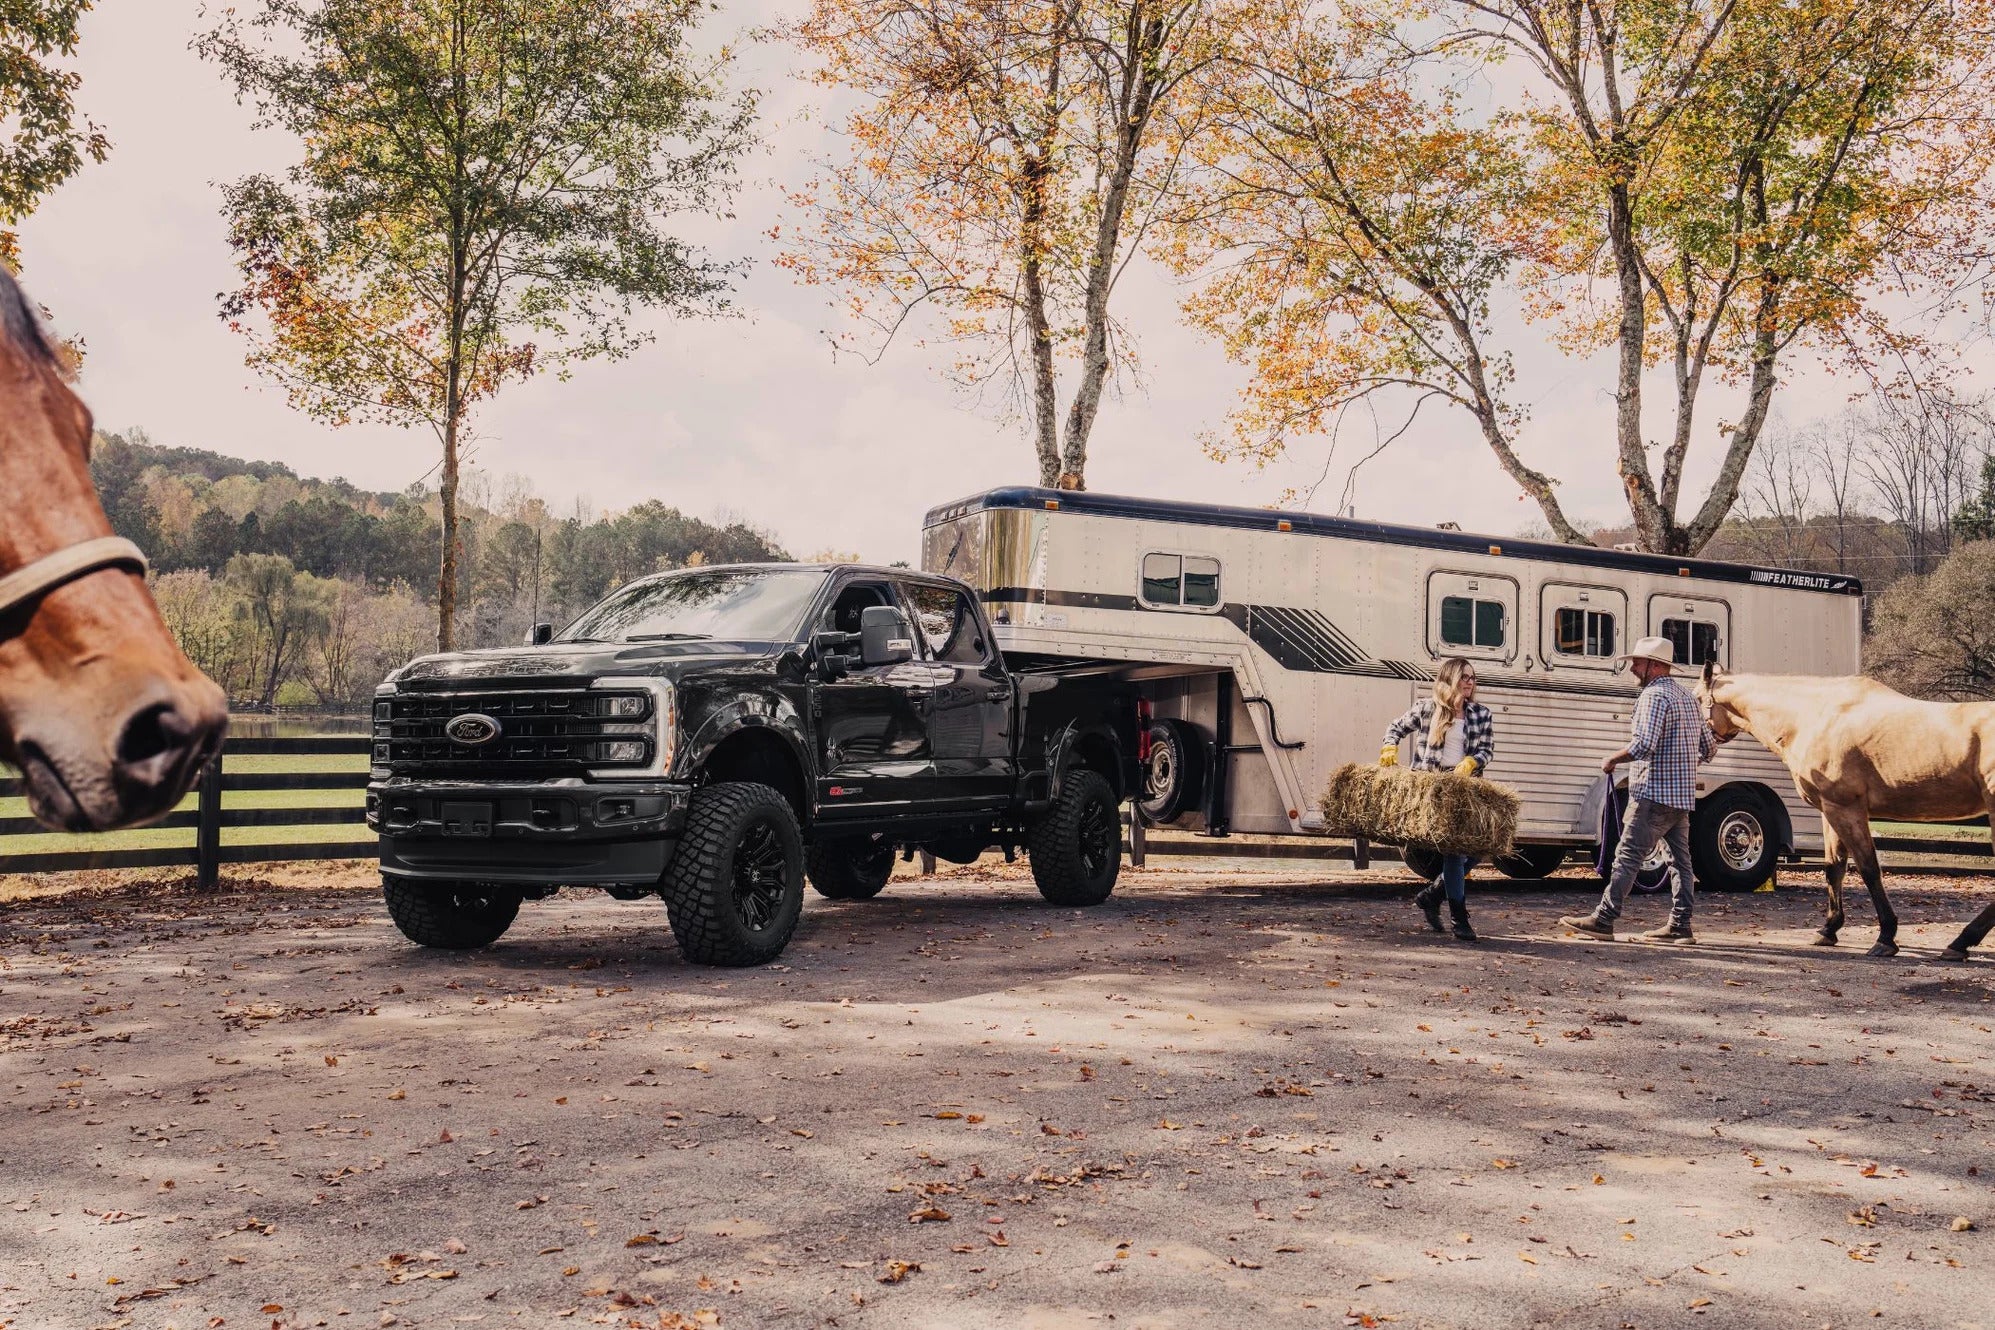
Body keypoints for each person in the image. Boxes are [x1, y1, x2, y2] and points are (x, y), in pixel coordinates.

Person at [1559, 636, 1721, 944]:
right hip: (1680, 796)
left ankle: (1604, 919)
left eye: (1638, 662)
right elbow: (1709, 747)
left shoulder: (1653, 696)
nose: (1633, 667)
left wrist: (1612, 759)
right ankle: (1680, 924)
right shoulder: (1687, 697)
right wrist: (1684, 762)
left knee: (1628, 855)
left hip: (1653, 792)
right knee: (1680, 861)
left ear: (1654, 665)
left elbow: (1644, 745)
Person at [1380, 658, 1494, 942]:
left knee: (1480, 847)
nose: (1469, 682)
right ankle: (1459, 918)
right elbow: (1396, 727)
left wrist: (1471, 761)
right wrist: (1389, 746)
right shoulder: (1427, 709)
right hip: (1434, 787)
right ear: (1449, 679)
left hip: (1465, 787)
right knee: (1454, 852)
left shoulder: (1481, 713)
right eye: (1464, 677)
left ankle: (1433, 895)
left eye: (1472, 677)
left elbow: (1487, 749)